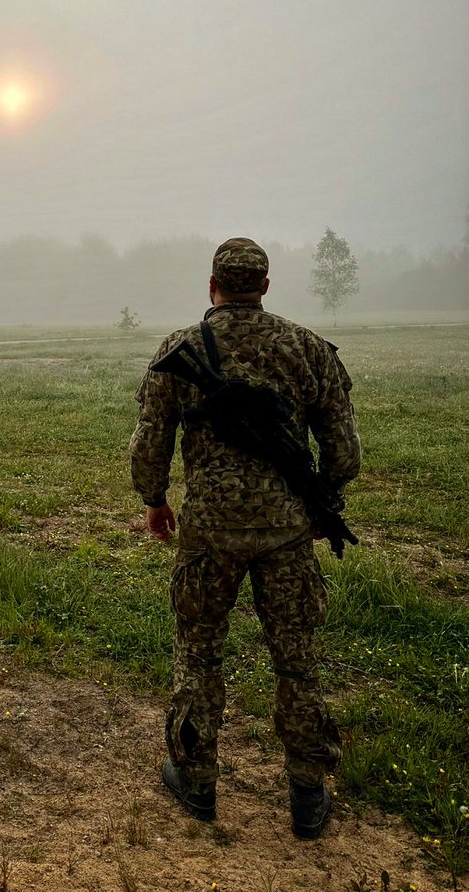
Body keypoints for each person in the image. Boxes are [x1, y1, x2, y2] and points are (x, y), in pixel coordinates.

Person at [129, 237, 361, 838]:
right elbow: (344, 451)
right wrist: (321, 503)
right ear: (264, 286)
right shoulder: (308, 348)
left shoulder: (177, 349)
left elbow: (151, 442)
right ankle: (309, 793)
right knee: (298, 661)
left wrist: (155, 502)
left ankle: (196, 781)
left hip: (207, 533)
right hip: (287, 533)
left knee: (198, 653)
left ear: (212, 286)